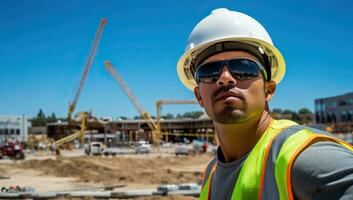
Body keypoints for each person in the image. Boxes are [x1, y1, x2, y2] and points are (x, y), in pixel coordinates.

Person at [176, 8, 353, 200]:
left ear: (268, 90)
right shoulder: (212, 173)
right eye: (209, 72)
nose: (225, 78)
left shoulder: (299, 156)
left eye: (243, 68)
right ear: (199, 96)